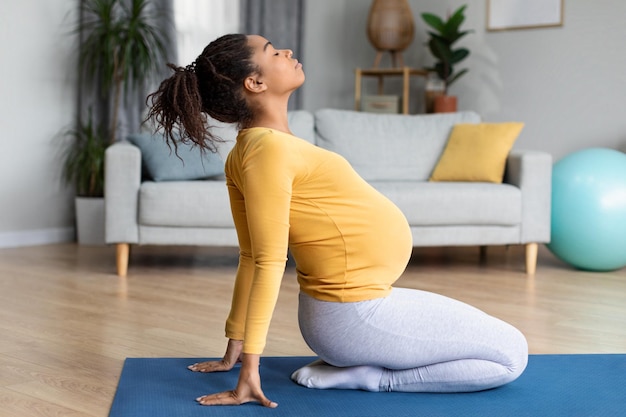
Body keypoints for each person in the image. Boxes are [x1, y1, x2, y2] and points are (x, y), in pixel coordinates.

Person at [145, 33, 528, 408]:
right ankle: (375, 379)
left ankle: (353, 364)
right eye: (272, 51)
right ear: (256, 82)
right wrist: (248, 370)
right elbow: (264, 260)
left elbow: (248, 257)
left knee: (496, 339)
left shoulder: (254, 147)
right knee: (511, 355)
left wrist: (234, 347)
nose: (287, 50)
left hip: (353, 309)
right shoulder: (268, 152)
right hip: (354, 316)